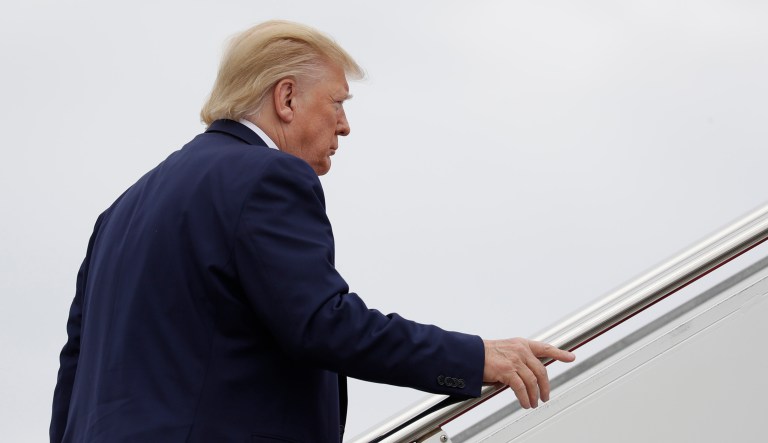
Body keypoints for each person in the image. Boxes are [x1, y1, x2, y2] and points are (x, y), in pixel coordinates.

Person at [50, 20, 575, 443]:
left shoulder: (120, 212)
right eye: (339, 102)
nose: (345, 125)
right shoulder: (267, 175)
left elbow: (74, 371)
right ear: (286, 98)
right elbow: (322, 323)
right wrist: (472, 357)